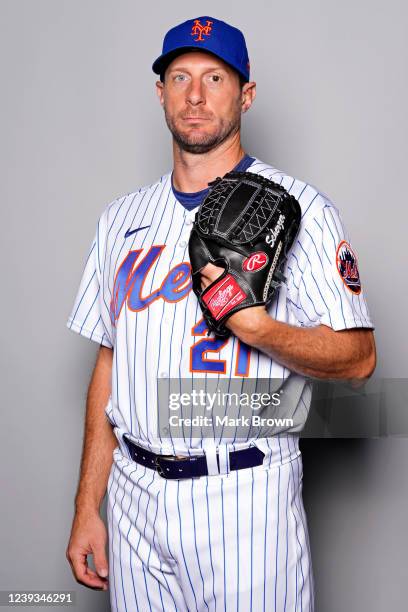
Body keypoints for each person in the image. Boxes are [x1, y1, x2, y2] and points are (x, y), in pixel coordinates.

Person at [65, 15, 376, 612]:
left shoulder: (300, 208)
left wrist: (258, 327)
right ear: (160, 94)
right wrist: (87, 507)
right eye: (179, 78)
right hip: (132, 498)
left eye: (215, 77)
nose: (196, 95)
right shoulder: (120, 220)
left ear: (246, 94)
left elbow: (360, 359)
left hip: (244, 494)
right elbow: (111, 365)